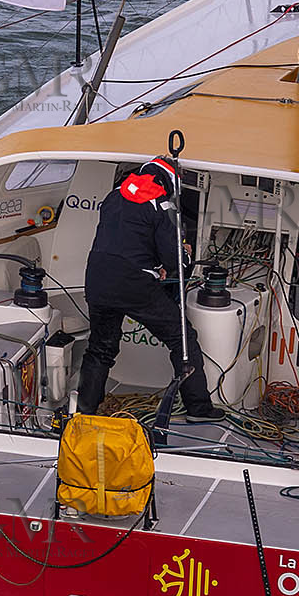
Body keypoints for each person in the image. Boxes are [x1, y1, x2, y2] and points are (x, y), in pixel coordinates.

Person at [76, 157, 224, 421]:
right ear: (171, 183)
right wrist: (185, 255)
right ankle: (199, 408)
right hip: (134, 285)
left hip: (97, 279)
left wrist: (153, 263)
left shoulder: (113, 196)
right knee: (183, 340)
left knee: (100, 347)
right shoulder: (162, 205)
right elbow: (175, 261)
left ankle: (86, 412)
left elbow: (125, 238)